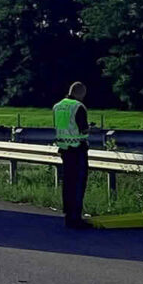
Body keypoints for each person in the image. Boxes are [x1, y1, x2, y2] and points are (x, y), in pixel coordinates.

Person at [53, 82, 91, 229]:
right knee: (78, 184)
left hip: (64, 149)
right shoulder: (78, 106)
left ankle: (69, 215)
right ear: (81, 93)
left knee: (68, 183)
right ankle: (76, 218)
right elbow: (83, 130)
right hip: (77, 149)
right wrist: (91, 130)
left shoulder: (57, 106)